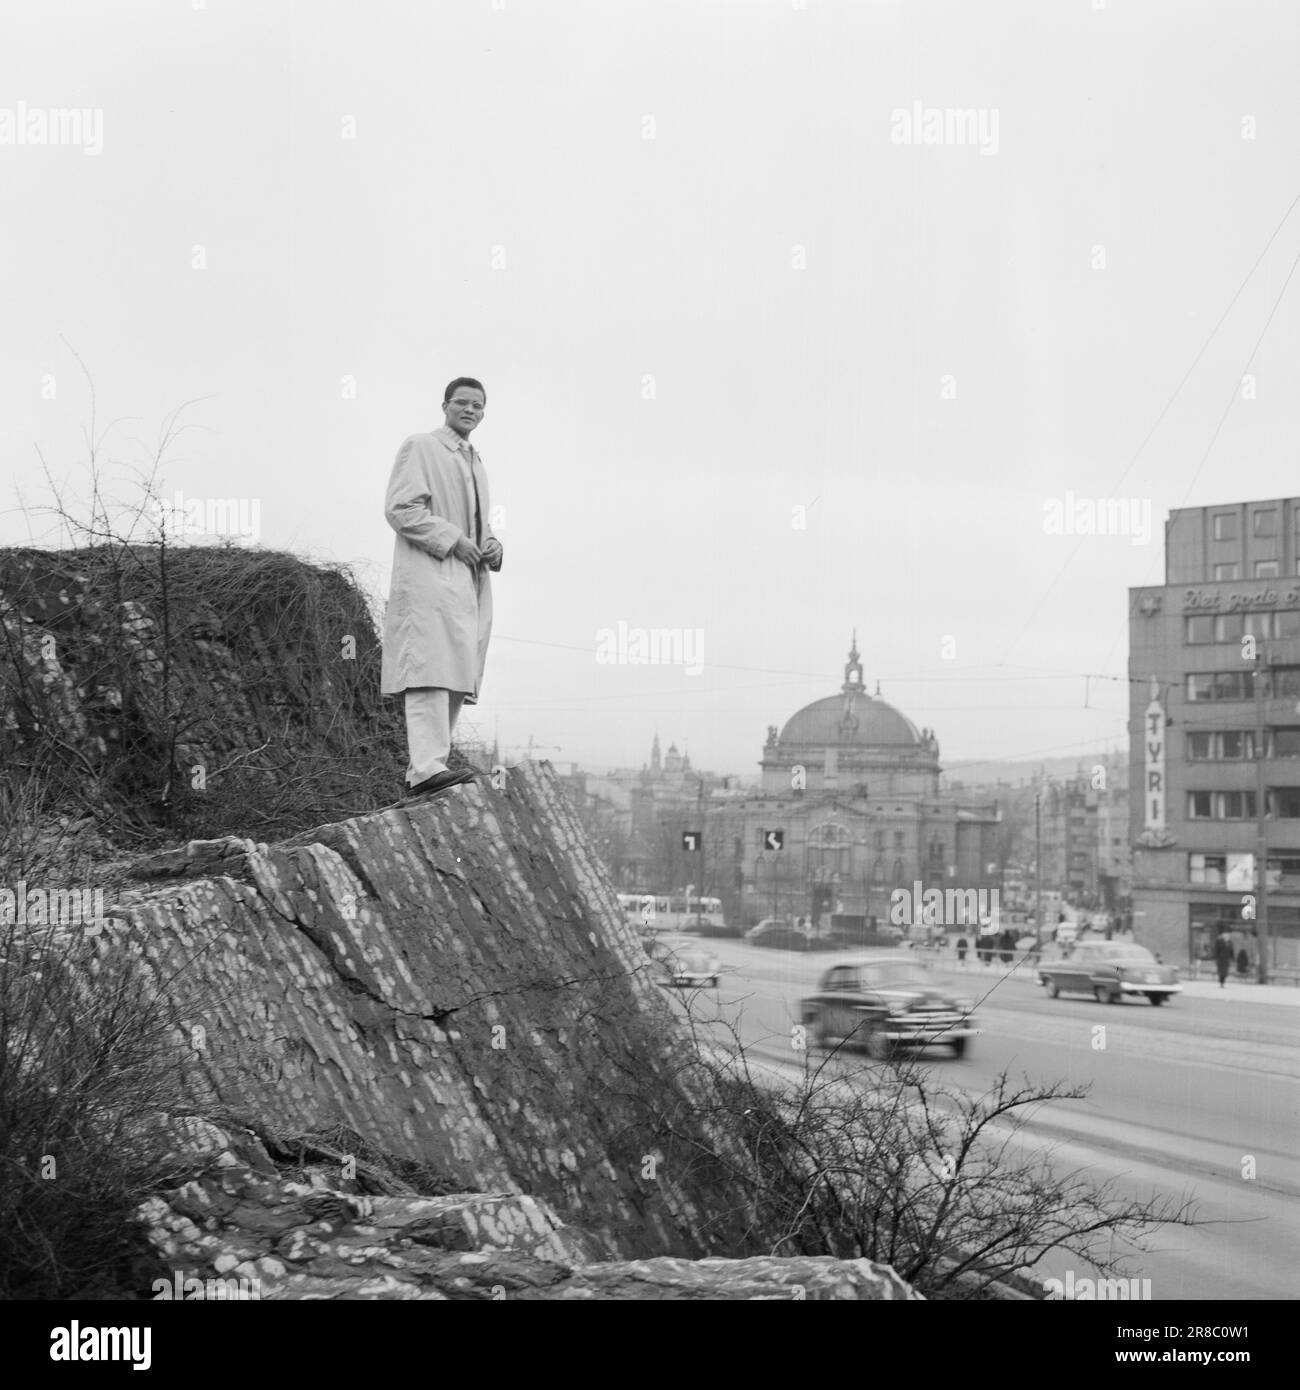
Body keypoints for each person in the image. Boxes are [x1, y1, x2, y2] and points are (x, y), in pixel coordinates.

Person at [381, 378, 503, 797]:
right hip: (430, 575)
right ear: (445, 405)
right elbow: (400, 508)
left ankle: (433, 765)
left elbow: (478, 525)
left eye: (478, 405)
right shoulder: (422, 446)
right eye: (462, 403)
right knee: (429, 670)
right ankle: (425, 767)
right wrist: (452, 539)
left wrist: (491, 544)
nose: (470, 410)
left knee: (455, 672)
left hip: (465, 581)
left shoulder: (475, 461)